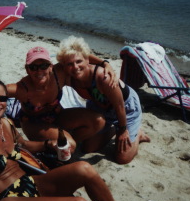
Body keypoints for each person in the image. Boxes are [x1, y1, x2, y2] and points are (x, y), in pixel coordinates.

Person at [0, 79, 124, 201]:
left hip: (30, 183)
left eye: (2, 98)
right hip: (8, 200)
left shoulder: (6, 123)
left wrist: (49, 145)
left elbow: (23, 145)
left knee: (85, 168)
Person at [0, 46, 117, 154]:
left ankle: (63, 145)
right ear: (27, 69)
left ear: (50, 66)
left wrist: (104, 63)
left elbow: (80, 55)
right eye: (33, 67)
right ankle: (64, 145)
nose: (39, 71)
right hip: (34, 124)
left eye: (43, 65)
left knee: (99, 120)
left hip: (58, 116)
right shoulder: (21, 89)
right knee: (69, 144)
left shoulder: (59, 73)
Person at [56, 36, 150, 164]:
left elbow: (119, 106)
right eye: (69, 64)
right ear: (64, 66)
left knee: (122, 158)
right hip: (99, 108)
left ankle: (137, 134)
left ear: (87, 60)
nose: (75, 67)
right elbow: (51, 71)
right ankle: (112, 129)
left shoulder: (102, 77)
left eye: (79, 61)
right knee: (88, 148)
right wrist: (104, 62)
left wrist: (123, 130)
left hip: (125, 107)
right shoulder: (69, 77)